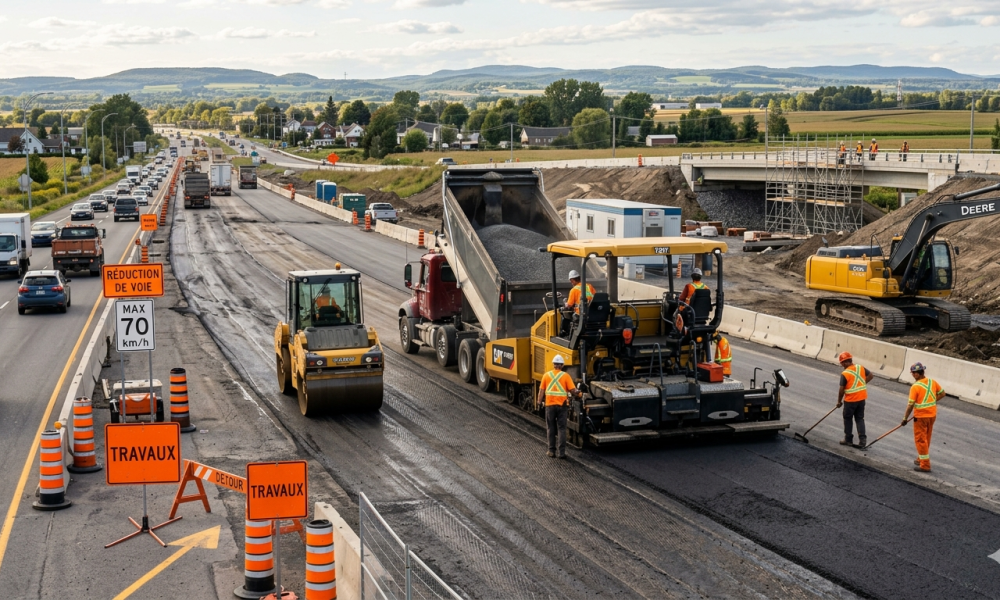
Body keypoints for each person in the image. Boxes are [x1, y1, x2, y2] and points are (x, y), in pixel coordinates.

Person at [903, 362, 945, 472]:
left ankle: (925, 465)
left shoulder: (915, 387)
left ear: (917, 374)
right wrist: (932, 401)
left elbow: (910, 405)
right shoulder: (932, 382)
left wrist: (905, 418)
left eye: (913, 373)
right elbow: (942, 393)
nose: (912, 375)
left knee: (921, 440)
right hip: (932, 415)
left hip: (921, 417)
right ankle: (920, 458)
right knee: (926, 438)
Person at [537, 355, 579, 458]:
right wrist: (579, 393)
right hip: (562, 406)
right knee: (562, 429)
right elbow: (573, 390)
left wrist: (539, 403)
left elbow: (541, 391)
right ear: (562, 365)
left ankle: (551, 451)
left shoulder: (546, 375)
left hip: (550, 406)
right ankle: (561, 453)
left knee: (551, 428)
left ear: (553, 365)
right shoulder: (566, 376)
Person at [836, 352, 873, 447]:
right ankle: (862, 440)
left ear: (844, 362)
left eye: (842, 363)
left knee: (848, 418)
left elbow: (841, 389)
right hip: (861, 398)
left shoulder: (845, 373)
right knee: (859, 418)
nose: (842, 365)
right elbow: (870, 375)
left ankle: (848, 439)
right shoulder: (860, 367)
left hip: (851, 400)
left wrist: (839, 401)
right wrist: (862, 383)